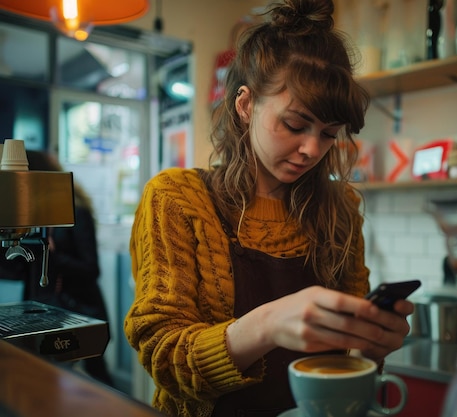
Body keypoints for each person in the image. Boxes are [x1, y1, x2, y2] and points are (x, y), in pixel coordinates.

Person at [123, 1, 414, 416]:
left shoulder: (340, 210)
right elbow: (163, 360)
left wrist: (370, 344)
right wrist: (268, 324)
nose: (312, 149)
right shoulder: (177, 199)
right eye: (295, 125)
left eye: (329, 134)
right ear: (245, 105)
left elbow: (351, 361)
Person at [0, 150, 115, 387]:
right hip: (41, 309)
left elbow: (90, 269)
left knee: (96, 379)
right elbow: (22, 269)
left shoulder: (76, 213)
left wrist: (53, 255)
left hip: (78, 308)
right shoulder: (30, 215)